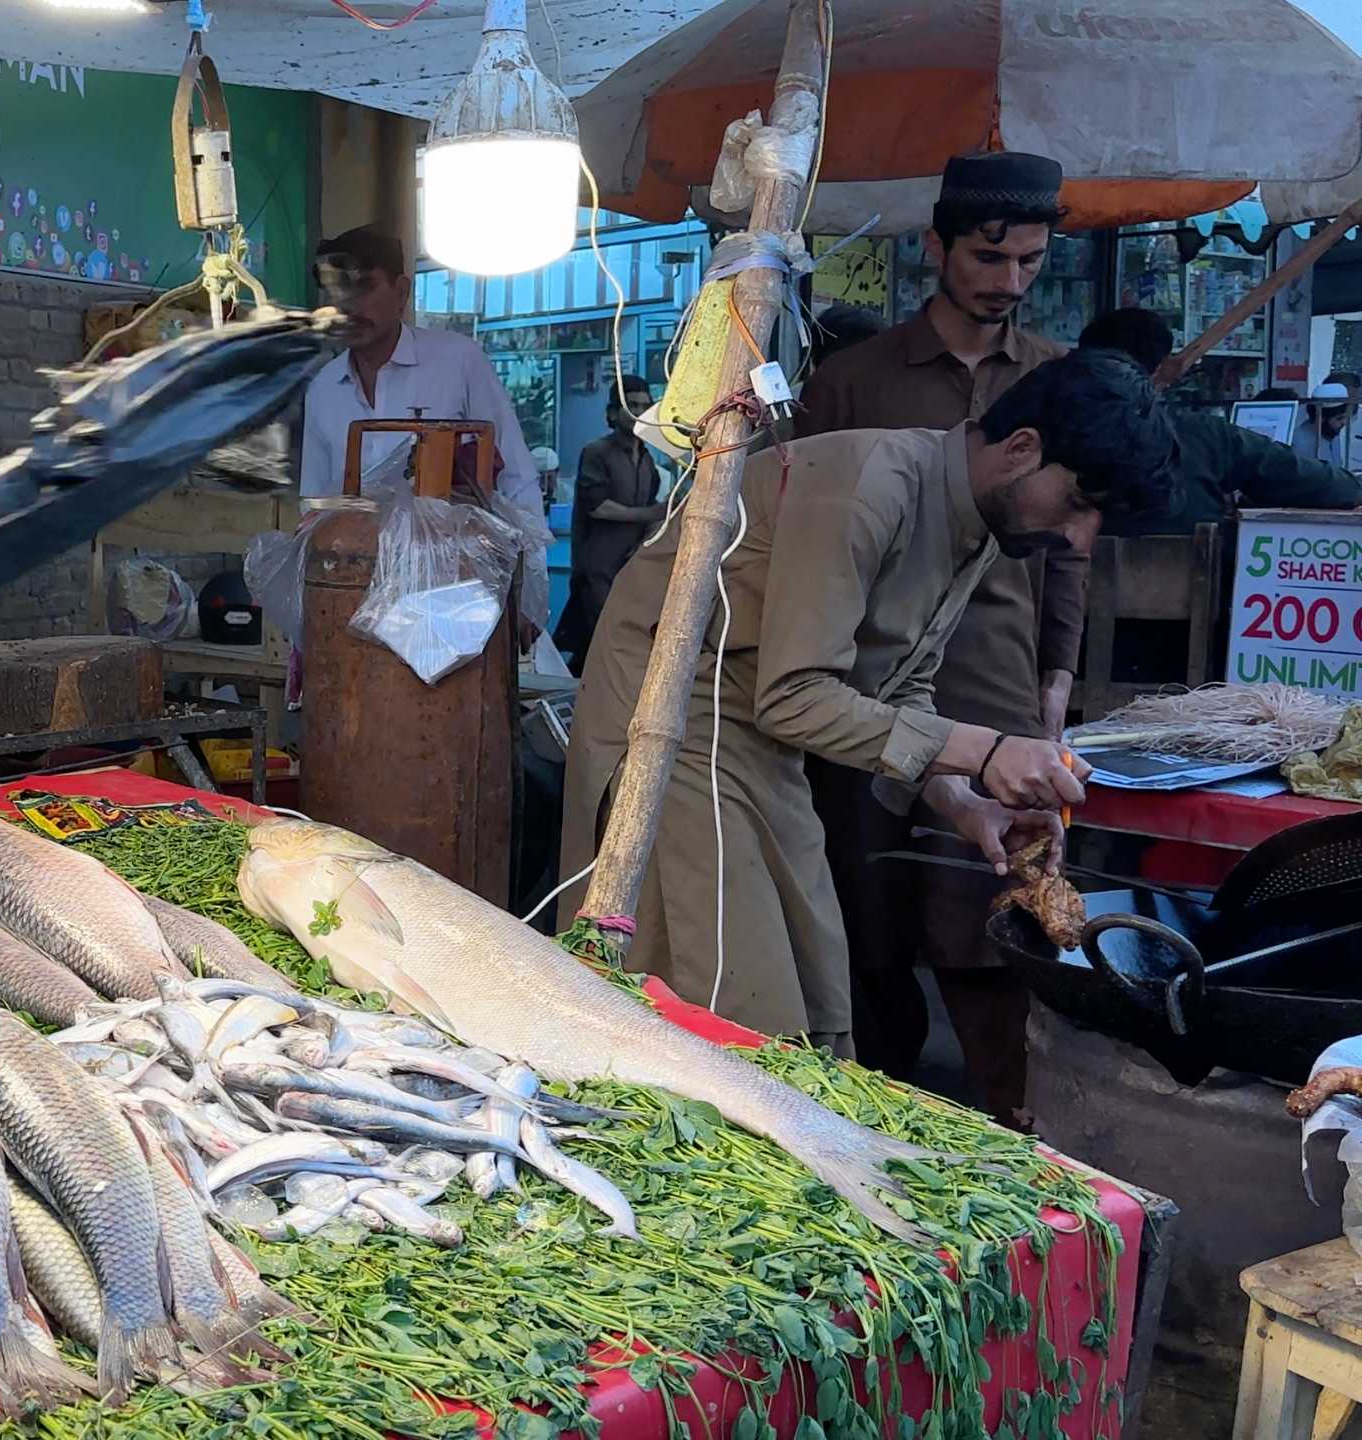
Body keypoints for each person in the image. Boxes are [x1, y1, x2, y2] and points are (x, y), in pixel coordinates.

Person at [559, 351, 1173, 1050]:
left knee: (815, 976)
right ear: (1022, 448)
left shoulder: (976, 519)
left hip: (762, 734)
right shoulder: (871, 485)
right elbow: (793, 697)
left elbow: (895, 686)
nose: (1076, 537)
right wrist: (989, 751)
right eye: (1079, 503)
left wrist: (965, 803)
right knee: (730, 994)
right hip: (670, 719)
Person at [793, 151, 1077, 1115]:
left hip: (995, 676)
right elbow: (799, 534)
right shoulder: (852, 380)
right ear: (937, 248)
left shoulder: (1054, 381)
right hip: (854, 682)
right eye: (989, 260)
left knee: (994, 912)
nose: (1008, 283)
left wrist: (1057, 681)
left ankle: (1010, 1119)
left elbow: (1072, 551)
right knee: (863, 909)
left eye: (1031, 263)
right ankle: (875, 1107)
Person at [299, 226, 550, 638]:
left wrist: (532, 598)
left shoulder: (457, 362)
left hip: (458, 596)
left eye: (363, 287)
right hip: (355, 603)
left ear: (401, 292)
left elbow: (517, 478)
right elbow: (314, 508)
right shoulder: (323, 388)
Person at [1078, 309, 1360, 525]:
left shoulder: (1046, 428)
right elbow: (1322, 484)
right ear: (1162, 369)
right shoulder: (1200, 434)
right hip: (1191, 584)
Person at [553, 378, 666, 672]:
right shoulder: (597, 452)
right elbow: (599, 507)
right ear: (614, 413)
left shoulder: (646, 458)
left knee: (625, 644)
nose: (640, 412)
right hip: (598, 568)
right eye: (632, 406)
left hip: (630, 567)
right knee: (602, 642)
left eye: (645, 406)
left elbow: (653, 511)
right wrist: (650, 514)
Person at [1293, 375, 1360, 470]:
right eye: (1339, 418)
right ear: (1321, 417)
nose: (1344, 423)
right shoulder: (1299, 442)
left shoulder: (1330, 432)